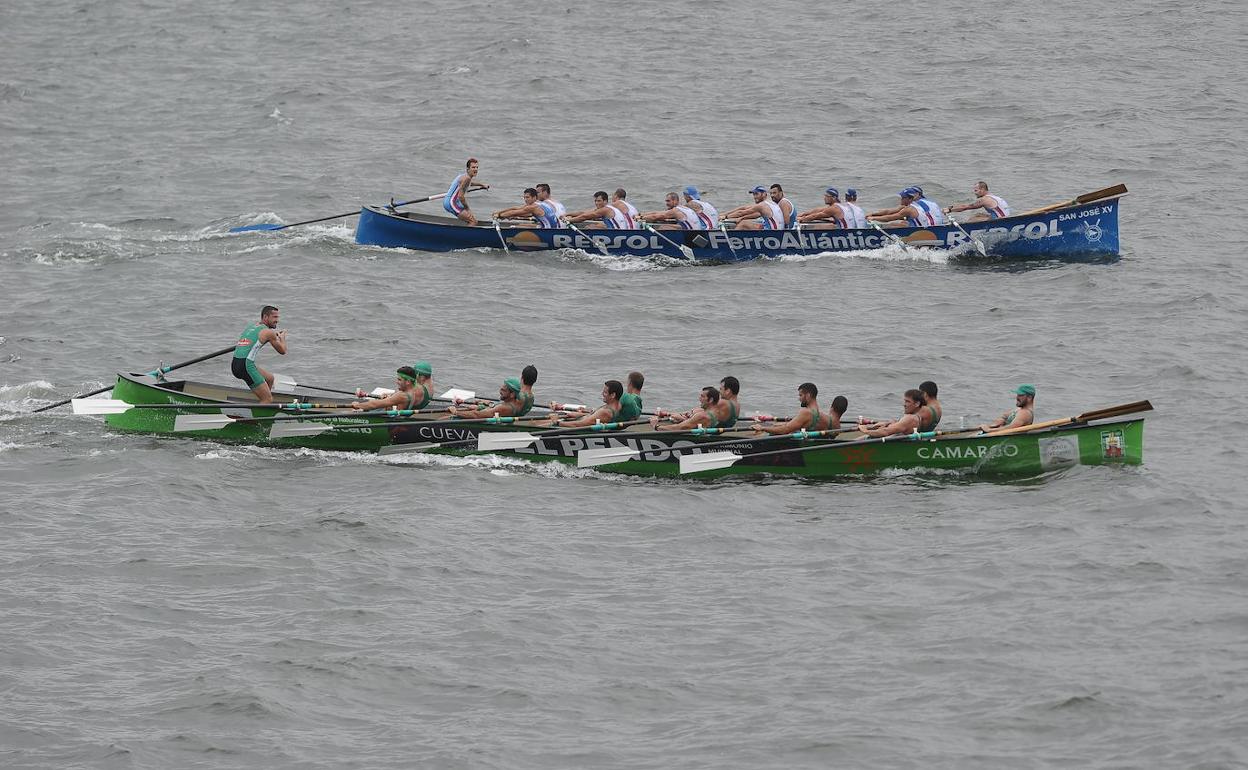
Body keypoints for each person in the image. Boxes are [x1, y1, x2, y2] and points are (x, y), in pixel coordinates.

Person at [232, 305, 287, 404]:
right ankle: (263, 407)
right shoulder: (269, 333)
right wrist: (282, 338)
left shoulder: (251, 327)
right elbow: (283, 351)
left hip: (235, 364)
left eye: (278, 317)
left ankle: (264, 403)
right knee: (268, 399)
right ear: (265, 317)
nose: (277, 320)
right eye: (274, 317)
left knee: (270, 378)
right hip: (245, 366)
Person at [351, 362, 433, 411]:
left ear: (408, 382)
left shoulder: (402, 395)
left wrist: (358, 405)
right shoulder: (416, 389)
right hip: (397, 415)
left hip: (392, 420)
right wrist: (390, 398)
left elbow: (375, 405)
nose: (396, 382)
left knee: (356, 410)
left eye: (399, 380)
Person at [753, 382, 827, 435]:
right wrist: (777, 425)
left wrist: (763, 428)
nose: (799, 399)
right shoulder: (820, 413)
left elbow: (785, 430)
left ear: (808, 395)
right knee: (775, 425)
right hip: (806, 441)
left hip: (796, 445)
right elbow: (796, 426)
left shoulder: (806, 412)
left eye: (800, 395)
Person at [545, 380, 624, 428]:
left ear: (613, 395)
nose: (602, 394)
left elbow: (580, 424)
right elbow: (593, 416)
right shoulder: (617, 405)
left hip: (575, 427)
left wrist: (558, 422)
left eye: (605, 392)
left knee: (542, 423)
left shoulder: (606, 412)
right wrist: (567, 412)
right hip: (577, 420)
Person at [447, 377, 530, 420]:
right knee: (474, 407)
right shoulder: (516, 400)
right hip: (491, 415)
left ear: (512, 394)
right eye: (501, 388)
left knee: (446, 417)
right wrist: (483, 405)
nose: (500, 391)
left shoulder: (504, 407)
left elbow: (477, 415)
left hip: (483, 422)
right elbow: (493, 410)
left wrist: (456, 412)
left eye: (504, 390)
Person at [859, 389, 927, 437]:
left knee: (863, 437)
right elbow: (901, 426)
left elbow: (885, 432)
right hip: (894, 440)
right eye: (904, 401)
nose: (904, 404)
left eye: (907, 401)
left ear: (917, 404)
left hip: (890, 444)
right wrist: (888, 423)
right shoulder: (917, 416)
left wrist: (865, 430)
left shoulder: (910, 418)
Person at [442, 158, 489, 225]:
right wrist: (467, 208)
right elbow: (460, 196)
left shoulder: (464, 176)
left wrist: (482, 185)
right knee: (473, 221)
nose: (475, 169)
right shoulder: (467, 178)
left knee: (472, 220)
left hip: (451, 201)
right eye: (473, 167)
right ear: (468, 169)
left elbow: (470, 183)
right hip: (451, 202)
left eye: (477, 167)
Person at [869, 187, 946, 227]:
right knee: (904, 222)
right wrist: (873, 214)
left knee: (893, 225)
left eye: (903, 198)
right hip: (936, 228)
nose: (901, 200)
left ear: (910, 198)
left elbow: (888, 218)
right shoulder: (932, 203)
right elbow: (889, 212)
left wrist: (873, 218)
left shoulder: (909, 209)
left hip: (924, 232)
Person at [652, 386, 720, 431]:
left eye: (702, 396)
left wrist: (656, 426)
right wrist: (667, 414)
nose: (699, 398)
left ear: (711, 400)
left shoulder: (702, 415)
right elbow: (688, 418)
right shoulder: (715, 411)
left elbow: (680, 427)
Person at [493, 188, 560, 228]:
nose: (525, 199)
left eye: (527, 197)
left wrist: (499, 215)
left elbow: (513, 212)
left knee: (515, 227)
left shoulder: (533, 207)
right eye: (524, 197)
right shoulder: (541, 203)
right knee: (521, 225)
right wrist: (499, 212)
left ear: (534, 197)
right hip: (553, 227)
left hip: (548, 230)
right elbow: (516, 209)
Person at [946, 181, 1011, 221]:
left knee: (973, 219)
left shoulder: (985, 199)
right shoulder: (993, 197)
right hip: (1004, 218)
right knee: (978, 215)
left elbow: (965, 207)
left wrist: (949, 210)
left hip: (1000, 221)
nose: (975, 193)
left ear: (982, 189)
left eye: (976, 191)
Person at [566, 191, 631, 229]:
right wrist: (568, 214)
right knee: (594, 225)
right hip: (616, 230)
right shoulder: (607, 208)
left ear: (605, 201)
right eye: (595, 201)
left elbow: (584, 217)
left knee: (589, 227)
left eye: (599, 201)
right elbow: (584, 213)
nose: (597, 203)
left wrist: (568, 220)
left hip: (617, 233)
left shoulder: (605, 210)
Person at [638, 192, 703, 230]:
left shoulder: (675, 211)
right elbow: (657, 213)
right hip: (693, 230)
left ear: (675, 201)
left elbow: (655, 217)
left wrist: (639, 218)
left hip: (690, 233)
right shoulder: (682, 208)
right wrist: (640, 214)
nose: (666, 203)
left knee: (661, 227)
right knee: (662, 222)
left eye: (668, 201)